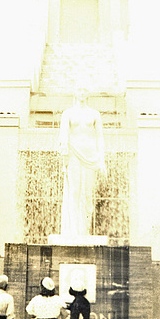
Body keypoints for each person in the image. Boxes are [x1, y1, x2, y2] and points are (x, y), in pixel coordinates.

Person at [59, 86, 106, 238]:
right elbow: (64, 134)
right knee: (74, 191)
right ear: (74, 92)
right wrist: (64, 152)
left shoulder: (95, 114)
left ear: (88, 92)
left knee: (87, 194)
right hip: (73, 153)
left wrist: (102, 159)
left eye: (85, 89)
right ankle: (74, 230)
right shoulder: (68, 113)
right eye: (78, 89)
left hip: (91, 156)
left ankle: (84, 229)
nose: (81, 93)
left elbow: (100, 137)